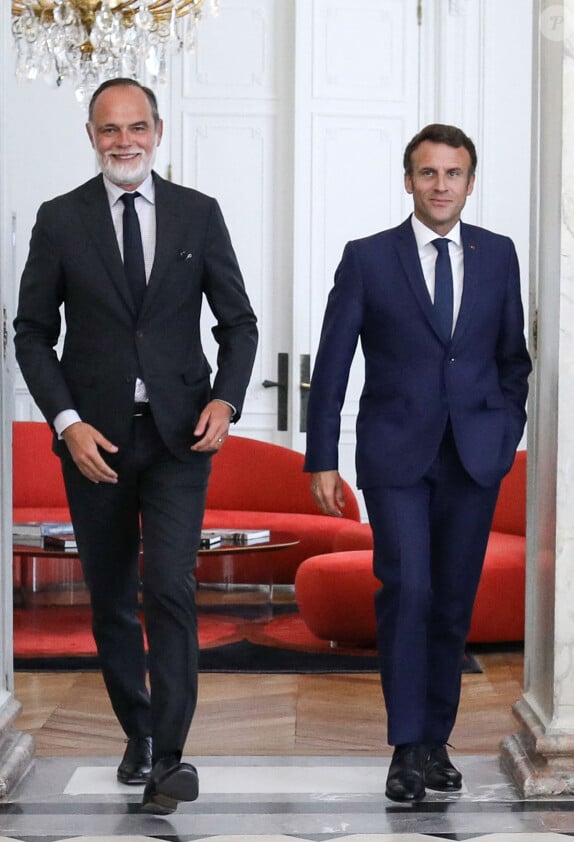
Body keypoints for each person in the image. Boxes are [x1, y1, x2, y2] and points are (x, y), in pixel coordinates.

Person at [14, 78, 258, 815]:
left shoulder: (198, 214)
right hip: (95, 444)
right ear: (91, 136)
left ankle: (172, 758)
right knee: (114, 596)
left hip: (182, 437)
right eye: (109, 130)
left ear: (159, 130)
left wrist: (226, 396)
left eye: (137, 127)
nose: (125, 142)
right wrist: (66, 421)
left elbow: (237, 323)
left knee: (171, 587)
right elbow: (30, 333)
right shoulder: (60, 220)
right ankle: (140, 732)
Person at [304, 123, 531, 802]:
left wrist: (505, 422)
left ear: (469, 181)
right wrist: (321, 457)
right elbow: (334, 363)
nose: (440, 185)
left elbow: (511, 358)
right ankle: (405, 747)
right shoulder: (369, 258)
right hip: (395, 456)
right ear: (408, 180)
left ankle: (436, 743)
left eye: (453, 173)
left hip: (475, 456)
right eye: (428, 173)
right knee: (408, 590)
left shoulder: (499, 255)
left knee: (453, 602)